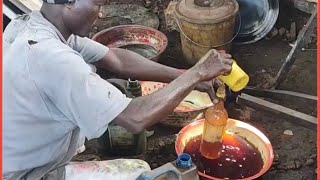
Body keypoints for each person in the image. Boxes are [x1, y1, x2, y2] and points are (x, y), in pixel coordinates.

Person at [3, 0, 233, 179]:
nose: (101, 14)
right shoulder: (51, 58)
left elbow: (117, 60)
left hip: (18, 158)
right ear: (69, 1)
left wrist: (187, 75)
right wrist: (197, 73)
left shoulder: (34, 28)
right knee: (139, 171)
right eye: (98, 4)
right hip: (27, 174)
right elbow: (134, 117)